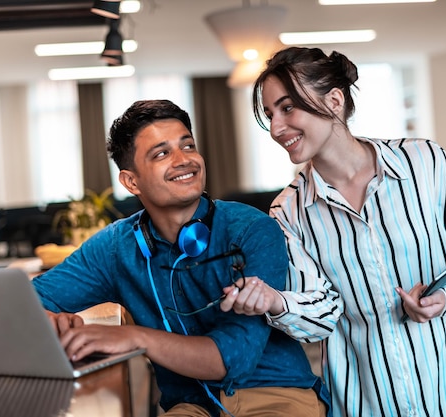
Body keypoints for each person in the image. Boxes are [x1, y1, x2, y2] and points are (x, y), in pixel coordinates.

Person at [220, 47, 446, 417]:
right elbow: (322, 311)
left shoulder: (425, 162)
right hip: (366, 403)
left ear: (335, 100)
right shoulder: (288, 211)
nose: (276, 128)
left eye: (287, 108)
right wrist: (276, 301)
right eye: (270, 114)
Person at [32, 99, 329, 417]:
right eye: (161, 153)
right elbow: (27, 299)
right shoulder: (116, 246)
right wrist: (48, 318)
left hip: (276, 394)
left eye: (187, 146)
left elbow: (232, 358)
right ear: (132, 181)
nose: (184, 160)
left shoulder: (252, 229)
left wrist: (135, 338)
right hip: (193, 405)